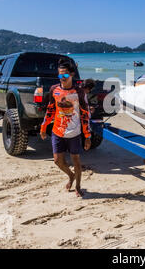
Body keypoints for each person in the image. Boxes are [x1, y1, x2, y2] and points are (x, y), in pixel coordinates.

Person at [40, 59, 91, 197]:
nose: (62, 78)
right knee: (57, 161)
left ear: (72, 74)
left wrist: (87, 136)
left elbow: (85, 115)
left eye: (65, 75)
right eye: (60, 76)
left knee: (76, 161)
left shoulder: (79, 92)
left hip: (74, 133)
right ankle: (71, 176)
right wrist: (44, 127)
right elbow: (50, 110)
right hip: (58, 131)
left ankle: (78, 187)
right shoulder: (54, 90)